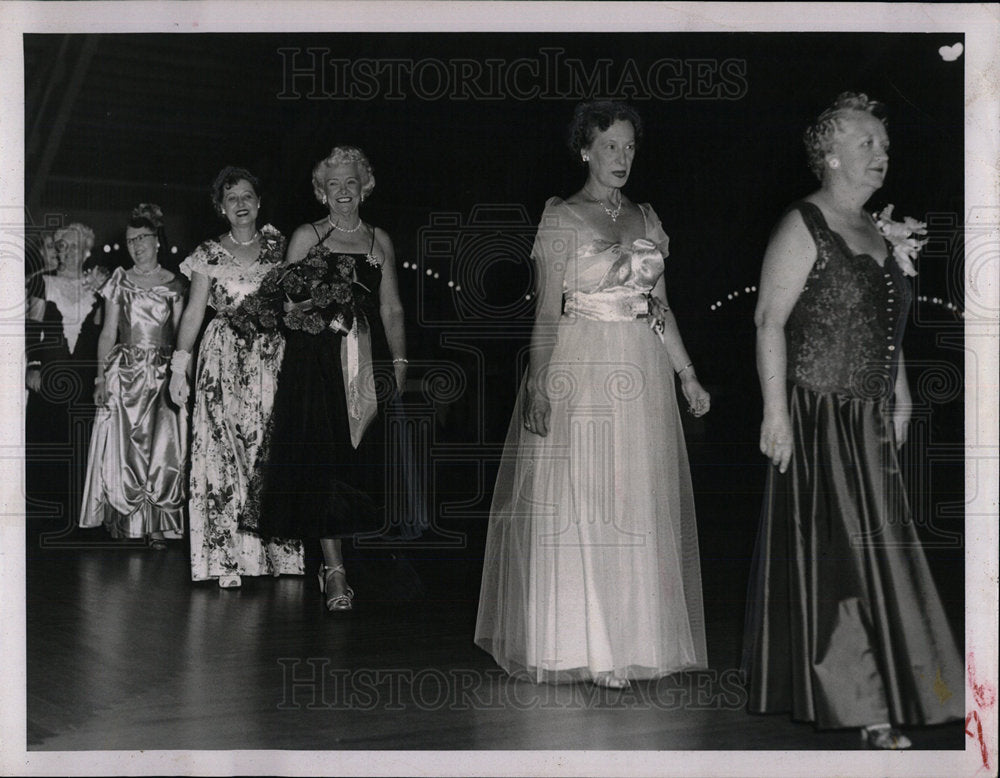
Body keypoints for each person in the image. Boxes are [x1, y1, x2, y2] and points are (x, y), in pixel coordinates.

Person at [741, 92, 963, 748]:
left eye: (885, 147)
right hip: (819, 418)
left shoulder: (879, 231)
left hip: (869, 420)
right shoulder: (802, 223)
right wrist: (775, 414)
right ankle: (867, 707)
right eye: (867, 144)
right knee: (847, 564)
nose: (881, 156)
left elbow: (885, 329)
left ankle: (896, 691)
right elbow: (768, 321)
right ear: (831, 153)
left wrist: (900, 395)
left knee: (884, 557)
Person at [475, 101, 710, 688]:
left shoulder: (646, 218)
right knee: (586, 498)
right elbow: (547, 314)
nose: (622, 157)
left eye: (630, 147)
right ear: (585, 149)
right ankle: (584, 643)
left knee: (635, 501)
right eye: (610, 146)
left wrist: (686, 375)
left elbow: (661, 307)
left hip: (642, 369)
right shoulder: (561, 218)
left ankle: (634, 641)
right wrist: (538, 382)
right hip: (581, 365)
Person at [254, 145, 407, 612]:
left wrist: (400, 363)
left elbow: (391, 307)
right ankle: (334, 568)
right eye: (333, 184)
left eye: (351, 182)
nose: (344, 192)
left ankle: (345, 556)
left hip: (365, 362)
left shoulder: (379, 239)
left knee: (354, 460)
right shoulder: (308, 237)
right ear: (321, 191)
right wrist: (318, 315)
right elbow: (281, 305)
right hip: (316, 366)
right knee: (321, 463)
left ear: (365, 186)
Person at [170, 167, 303, 587]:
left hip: (270, 356)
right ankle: (227, 558)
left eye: (248, 195)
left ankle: (279, 553)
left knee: (267, 445)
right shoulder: (207, 253)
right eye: (232, 198)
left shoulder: (284, 247)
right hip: (221, 358)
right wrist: (179, 367)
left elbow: (298, 303)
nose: (241, 203)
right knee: (222, 450)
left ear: (259, 202)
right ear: (221, 208)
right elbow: (194, 312)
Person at [79, 204, 188, 546]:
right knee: (125, 452)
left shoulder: (177, 285)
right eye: (131, 240)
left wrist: (181, 376)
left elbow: (181, 337)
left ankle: (156, 525)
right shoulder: (120, 280)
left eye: (143, 238)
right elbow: (108, 332)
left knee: (162, 452)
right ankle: (126, 523)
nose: (137, 245)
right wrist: (99, 378)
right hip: (125, 375)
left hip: (162, 377)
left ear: (158, 240)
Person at [25, 222, 109, 527]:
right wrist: (33, 366)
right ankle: (42, 519)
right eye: (63, 246)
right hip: (50, 374)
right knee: (47, 443)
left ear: (86, 250)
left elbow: (102, 333)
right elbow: (33, 328)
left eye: (75, 246)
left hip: (85, 378)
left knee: (80, 446)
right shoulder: (42, 282)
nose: (68, 251)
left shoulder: (99, 289)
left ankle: (77, 518)